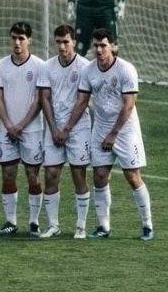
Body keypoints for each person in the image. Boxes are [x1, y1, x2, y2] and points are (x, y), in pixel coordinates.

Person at [62, 29, 153, 240]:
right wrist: (67, 127)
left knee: (132, 176)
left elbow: (128, 106)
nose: (99, 50)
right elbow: (81, 102)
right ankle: (103, 226)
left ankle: (147, 225)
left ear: (112, 46)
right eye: (96, 46)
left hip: (125, 130)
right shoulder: (88, 71)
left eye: (103, 45)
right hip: (101, 129)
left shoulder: (126, 70)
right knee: (100, 176)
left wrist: (114, 134)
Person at [36, 25, 93, 240]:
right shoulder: (47, 67)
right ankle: (53, 225)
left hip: (78, 128)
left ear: (74, 42)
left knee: (78, 175)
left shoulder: (85, 67)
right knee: (50, 174)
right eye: (58, 42)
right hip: (54, 128)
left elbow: (83, 101)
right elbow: (44, 99)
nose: (61, 46)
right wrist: (53, 129)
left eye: (66, 42)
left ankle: (81, 226)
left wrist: (67, 129)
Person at [0, 21, 46, 237]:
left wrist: (20, 125)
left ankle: (34, 222)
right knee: (8, 174)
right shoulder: (0, 66)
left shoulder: (40, 66)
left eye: (21, 38)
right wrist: (9, 125)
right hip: (7, 130)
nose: (17, 42)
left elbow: (39, 101)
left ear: (29, 40)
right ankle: (11, 221)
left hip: (31, 131)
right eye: (14, 38)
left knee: (33, 175)